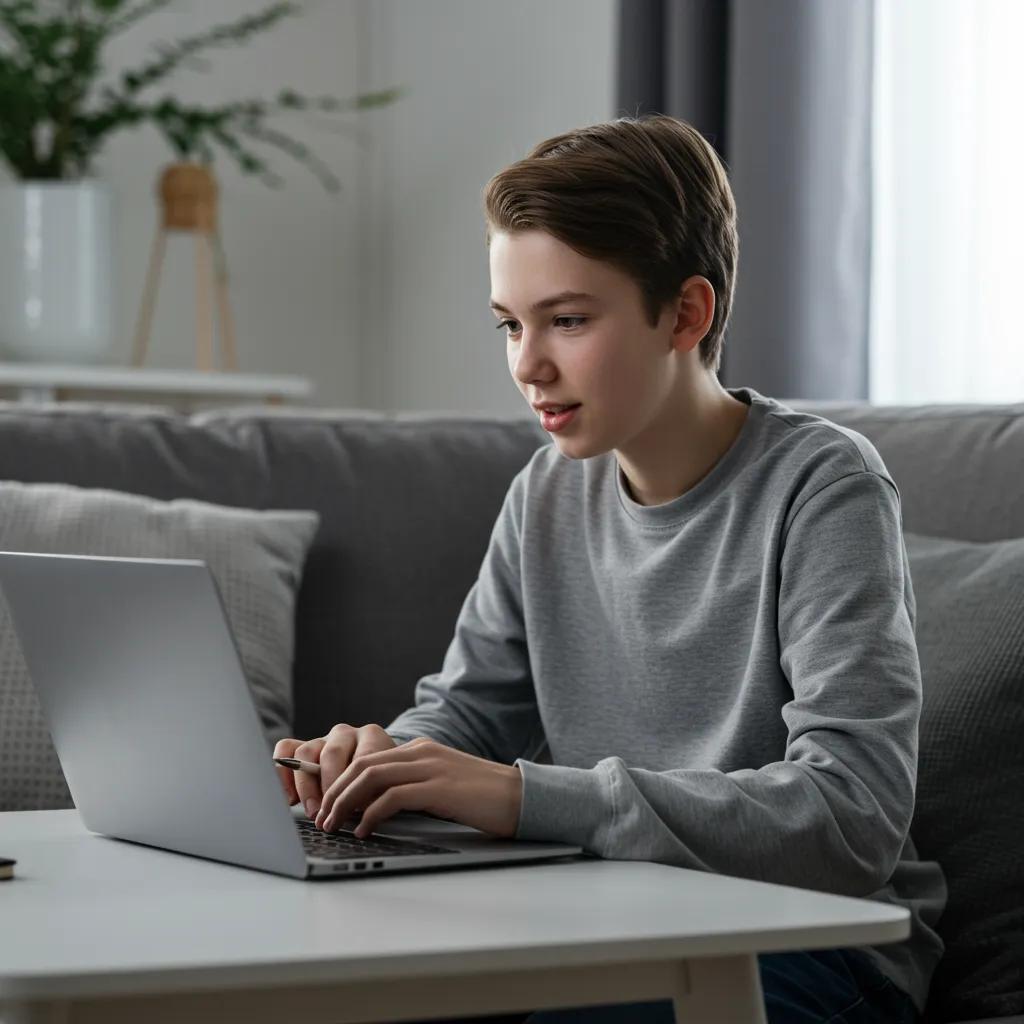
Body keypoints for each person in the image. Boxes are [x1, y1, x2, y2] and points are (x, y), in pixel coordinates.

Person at [273, 114, 946, 1024]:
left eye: (569, 320)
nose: (528, 365)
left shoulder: (825, 487)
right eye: (510, 325)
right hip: (606, 915)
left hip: (817, 947)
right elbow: (469, 713)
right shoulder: (546, 491)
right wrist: (376, 761)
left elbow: (849, 818)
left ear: (687, 313)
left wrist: (525, 796)